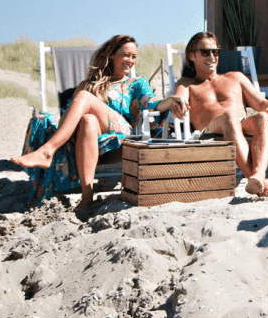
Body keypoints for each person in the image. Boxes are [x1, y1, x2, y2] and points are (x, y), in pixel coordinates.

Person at [13, 35, 185, 207]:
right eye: (126, 55)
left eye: (134, 56)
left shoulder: (137, 84)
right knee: (88, 119)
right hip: (85, 142)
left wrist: (170, 100)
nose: (130, 60)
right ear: (111, 55)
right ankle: (87, 196)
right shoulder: (87, 85)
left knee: (83, 97)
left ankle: (47, 151)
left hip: (121, 138)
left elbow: (152, 105)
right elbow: (69, 116)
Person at [172, 32, 268, 197]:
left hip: (241, 124)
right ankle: (254, 178)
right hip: (209, 129)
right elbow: (179, 97)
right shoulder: (187, 83)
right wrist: (177, 102)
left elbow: (260, 103)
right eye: (205, 52)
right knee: (228, 117)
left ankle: (258, 175)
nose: (211, 56)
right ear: (191, 56)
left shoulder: (235, 77)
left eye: (215, 52)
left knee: (262, 116)